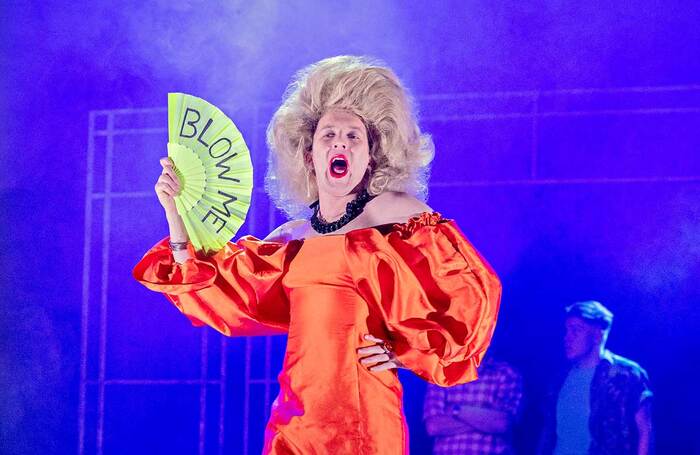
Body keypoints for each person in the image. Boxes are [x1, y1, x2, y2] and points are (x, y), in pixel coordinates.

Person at [133, 55, 502, 454]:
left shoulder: (393, 213)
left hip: (364, 418)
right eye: (329, 135)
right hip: (295, 420)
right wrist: (175, 212)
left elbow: (472, 289)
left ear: (369, 157)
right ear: (309, 155)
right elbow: (212, 288)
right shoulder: (293, 239)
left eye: (353, 137)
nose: (340, 142)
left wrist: (405, 350)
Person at [539, 301, 653, 455]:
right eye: (567, 330)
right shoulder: (561, 376)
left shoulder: (626, 374)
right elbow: (549, 432)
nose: (567, 337)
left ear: (597, 335)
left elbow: (644, 431)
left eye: (576, 330)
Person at [423, 355, 523, 455]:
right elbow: (434, 426)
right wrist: (486, 417)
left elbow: (502, 423)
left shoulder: (506, 373)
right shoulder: (441, 374)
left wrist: (456, 410)